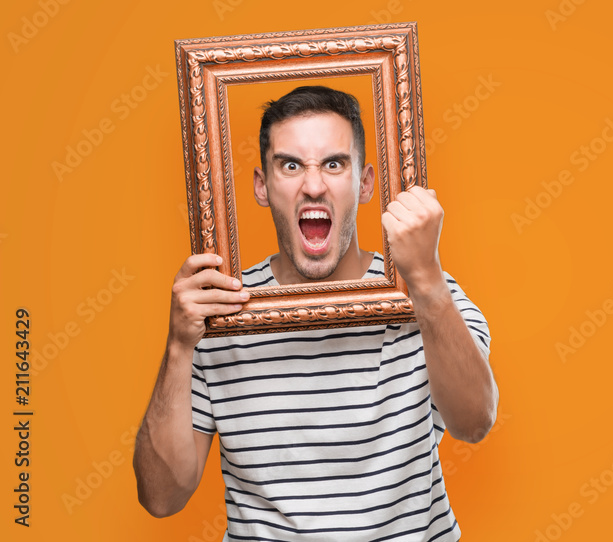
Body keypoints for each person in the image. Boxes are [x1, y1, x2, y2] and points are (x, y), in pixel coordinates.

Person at [133, 86, 499, 541]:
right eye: (290, 165)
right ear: (262, 187)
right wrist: (178, 346)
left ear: (364, 184)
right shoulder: (220, 313)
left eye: (333, 163)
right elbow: (161, 497)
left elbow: (474, 422)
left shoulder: (427, 295)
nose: (312, 185)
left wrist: (425, 279)